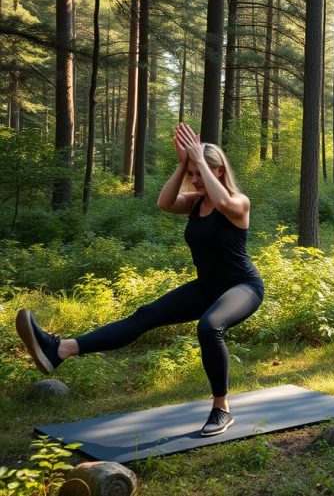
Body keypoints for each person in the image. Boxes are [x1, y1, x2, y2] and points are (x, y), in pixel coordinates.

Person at [16, 124, 264, 437]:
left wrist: (199, 159)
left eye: (200, 173)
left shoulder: (239, 202)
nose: (195, 180)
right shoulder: (194, 203)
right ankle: (60, 349)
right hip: (207, 287)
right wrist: (182, 164)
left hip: (242, 287)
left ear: (217, 169)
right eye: (192, 175)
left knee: (209, 326)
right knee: (145, 315)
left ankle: (221, 408)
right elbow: (164, 203)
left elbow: (226, 204)